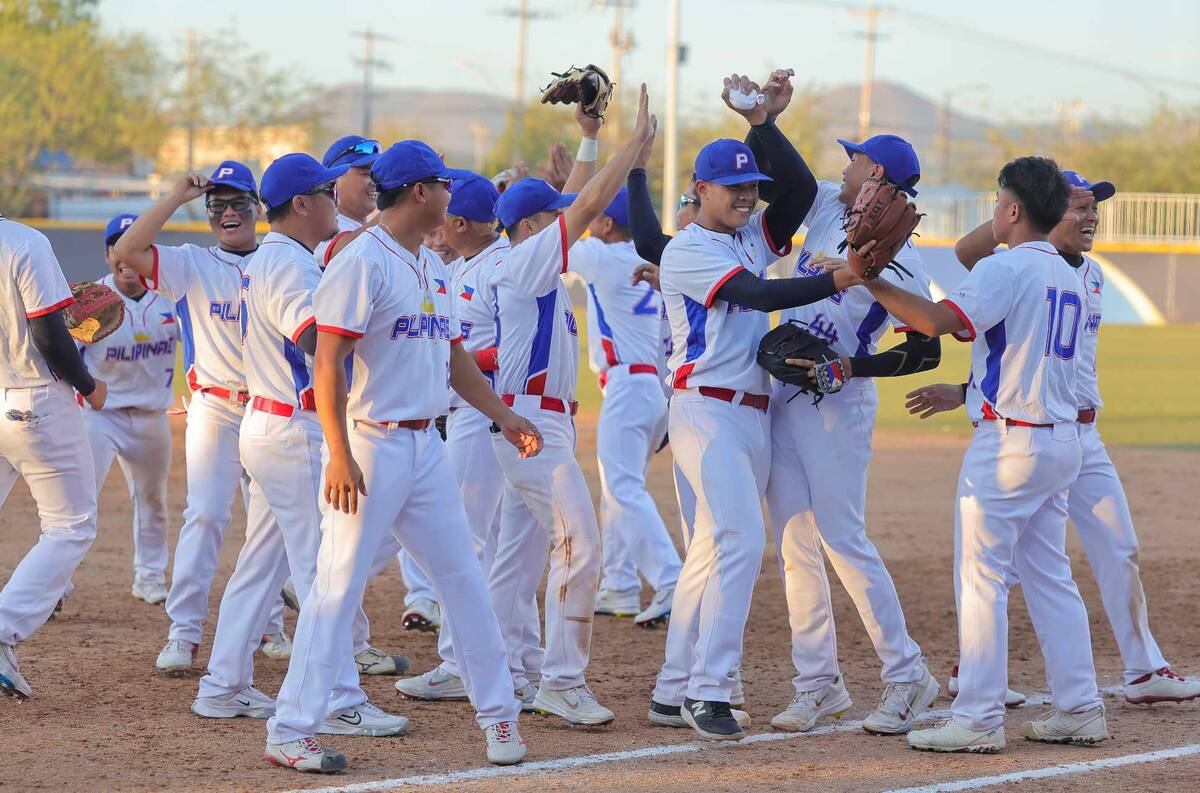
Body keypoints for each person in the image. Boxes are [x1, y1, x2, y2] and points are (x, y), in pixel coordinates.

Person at [264, 140, 541, 772]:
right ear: (420, 191)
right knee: (336, 587)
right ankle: (291, 727)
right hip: (372, 442)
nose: (450, 195)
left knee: (463, 578)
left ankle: (498, 714)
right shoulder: (362, 261)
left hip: (425, 447)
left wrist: (502, 414)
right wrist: (339, 454)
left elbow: (453, 357)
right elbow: (327, 362)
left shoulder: (432, 266)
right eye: (443, 184)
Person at [907, 169, 1200, 707]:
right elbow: (970, 255)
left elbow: (1043, 358)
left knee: (1113, 547)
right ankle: (974, 671)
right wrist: (1022, 205)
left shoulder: (1091, 274)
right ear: (1048, 212)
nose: (1091, 217)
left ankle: (1143, 669)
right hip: (1038, 430)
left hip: (1081, 432)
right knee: (1011, 562)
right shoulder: (1018, 263)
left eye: (1094, 208)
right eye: (1079, 206)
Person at [649, 71, 867, 742]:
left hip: (752, 412)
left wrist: (762, 125)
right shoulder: (689, 249)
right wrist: (838, 277)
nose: (746, 195)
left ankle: (671, 688)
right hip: (706, 411)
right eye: (732, 186)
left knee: (709, 549)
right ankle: (708, 690)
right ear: (700, 189)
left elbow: (796, 191)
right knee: (741, 540)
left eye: (751, 185)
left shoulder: (746, 235)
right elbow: (759, 296)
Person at [862, 156, 1105, 753]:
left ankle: (976, 717)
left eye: (998, 203)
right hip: (1061, 440)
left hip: (1010, 447)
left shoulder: (1008, 265)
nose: (994, 212)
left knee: (981, 579)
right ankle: (1080, 707)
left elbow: (936, 320)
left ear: (1014, 210)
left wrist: (867, 280)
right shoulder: (1071, 272)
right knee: (1051, 577)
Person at [193, 153, 408, 734]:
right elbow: (316, 339)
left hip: (274, 424)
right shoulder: (288, 264)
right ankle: (338, 700)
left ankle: (223, 685)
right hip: (294, 430)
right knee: (322, 569)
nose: (336, 202)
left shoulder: (284, 257)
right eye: (327, 193)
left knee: (261, 566)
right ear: (303, 203)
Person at [756, 130, 941, 735]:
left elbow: (927, 351)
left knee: (842, 538)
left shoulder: (905, 257)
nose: (844, 165)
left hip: (840, 405)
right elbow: (790, 175)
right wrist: (763, 122)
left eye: (854, 157)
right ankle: (818, 683)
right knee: (794, 541)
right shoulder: (826, 209)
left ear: (876, 172)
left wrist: (851, 368)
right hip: (787, 394)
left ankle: (908, 674)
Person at [483, 84, 654, 727]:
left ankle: (496, 665)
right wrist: (633, 147)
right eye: (549, 218)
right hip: (531, 426)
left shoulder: (530, 257)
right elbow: (583, 205)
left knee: (515, 560)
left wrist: (588, 138)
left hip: (541, 419)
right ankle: (561, 680)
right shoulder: (525, 264)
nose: (567, 224)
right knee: (580, 544)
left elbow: (573, 198)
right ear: (530, 229)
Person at [113, 161, 289, 674]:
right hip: (215, 407)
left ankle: (270, 627)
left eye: (238, 203)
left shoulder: (281, 260)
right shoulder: (191, 262)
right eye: (217, 206)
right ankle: (183, 632)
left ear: (258, 208)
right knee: (207, 514)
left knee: (272, 522)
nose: (227, 213)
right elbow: (128, 251)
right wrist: (176, 197)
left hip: (270, 406)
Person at [395, 169, 544, 708]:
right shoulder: (464, 266)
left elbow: (512, 347)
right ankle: (519, 661)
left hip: (485, 415)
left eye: (447, 213)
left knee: (468, 542)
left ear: (459, 223)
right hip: (474, 414)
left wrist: (442, 357)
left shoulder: (498, 267)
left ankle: (463, 663)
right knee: (496, 546)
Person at [0, 214, 107, 700]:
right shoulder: (25, 241)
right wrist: (88, 385)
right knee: (71, 525)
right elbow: (47, 335)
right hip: (35, 398)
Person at [569, 185, 681, 627]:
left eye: (594, 217)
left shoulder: (602, 255)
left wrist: (566, 195)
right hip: (651, 387)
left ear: (606, 224)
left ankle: (670, 579)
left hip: (628, 387)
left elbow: (555, 240)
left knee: (622, 489)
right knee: (621, 486)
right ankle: (619, 583)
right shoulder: (643, 258)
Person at [77, 213, 178, 606]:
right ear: (108, 255)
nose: (124, 257)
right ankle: (56, 584)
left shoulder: (170, 297)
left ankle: (149, 578)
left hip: (151, 417)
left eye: (132, 246)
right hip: (99, 417)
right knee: (79, 500)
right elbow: (65, 357)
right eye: (115, 248)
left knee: (153, 501)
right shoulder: (91, 301)